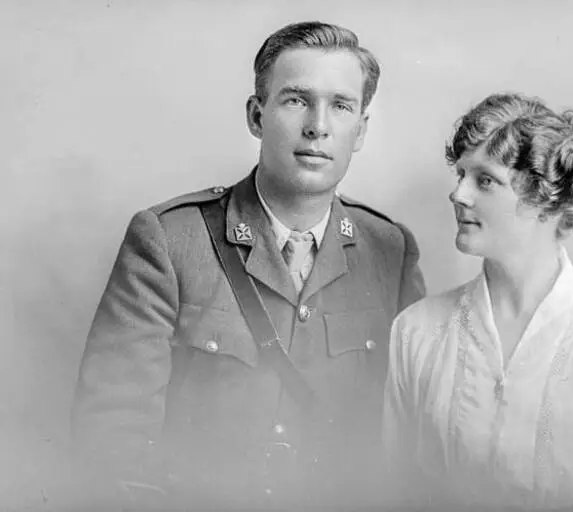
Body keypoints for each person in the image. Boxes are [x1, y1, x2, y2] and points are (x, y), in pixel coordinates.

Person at [70, 20, 425, 509]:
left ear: (360, 129)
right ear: (257, 116)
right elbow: (111, 437)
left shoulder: (389, 249)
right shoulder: (170, 241)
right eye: (296, 100)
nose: (318, 126)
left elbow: (410, 439)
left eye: (341, 106)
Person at [383, 93, 573, 511]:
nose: (458, 194)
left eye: (484, 180)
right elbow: (395, 491)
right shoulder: (416, 331)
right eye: (460, 175)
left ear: (546, 199)